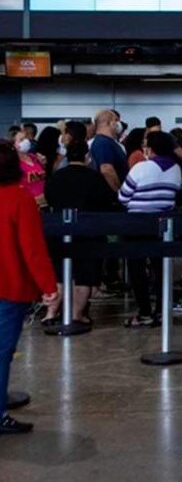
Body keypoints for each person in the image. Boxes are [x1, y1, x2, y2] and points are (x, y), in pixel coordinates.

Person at [0, 140, 58, 434]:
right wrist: (50, 287)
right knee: (1, 352)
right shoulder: (21, 199)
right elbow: (32, 250)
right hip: (8, 287)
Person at [43, 142, 116, 325]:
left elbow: (49, 198)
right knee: (85, 274)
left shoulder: (56, 177)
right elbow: (108, 202)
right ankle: (77, 315)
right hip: (88, 232)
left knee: (59, 274)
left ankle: (50, 314)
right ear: (87, 157)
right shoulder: (95, 177)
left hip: (58, 230)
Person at [119, 131, 182, 327]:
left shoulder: (141, 168)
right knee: (160, 268)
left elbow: (123, 197)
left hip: (136, 224)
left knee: (137, 269)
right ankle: (162, 311)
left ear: (151, 148)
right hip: (163, 225)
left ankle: (144, 312)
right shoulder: (176, 169)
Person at [89, 110, 128, 193]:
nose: (118, 124)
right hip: (109, 197)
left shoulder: (109, 142)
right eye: (116, 120)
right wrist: (120, 192)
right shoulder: (103, 143)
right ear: (109, 122)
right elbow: (106, 169)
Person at [14, 130, 47, 208]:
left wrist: (44, 165)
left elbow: (42, 177)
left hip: (44, 203)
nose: (26, 141)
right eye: (21, 140)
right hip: (29, 204)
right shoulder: (15, 163)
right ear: (14, 144)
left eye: (25, 138)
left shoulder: (35, 157)